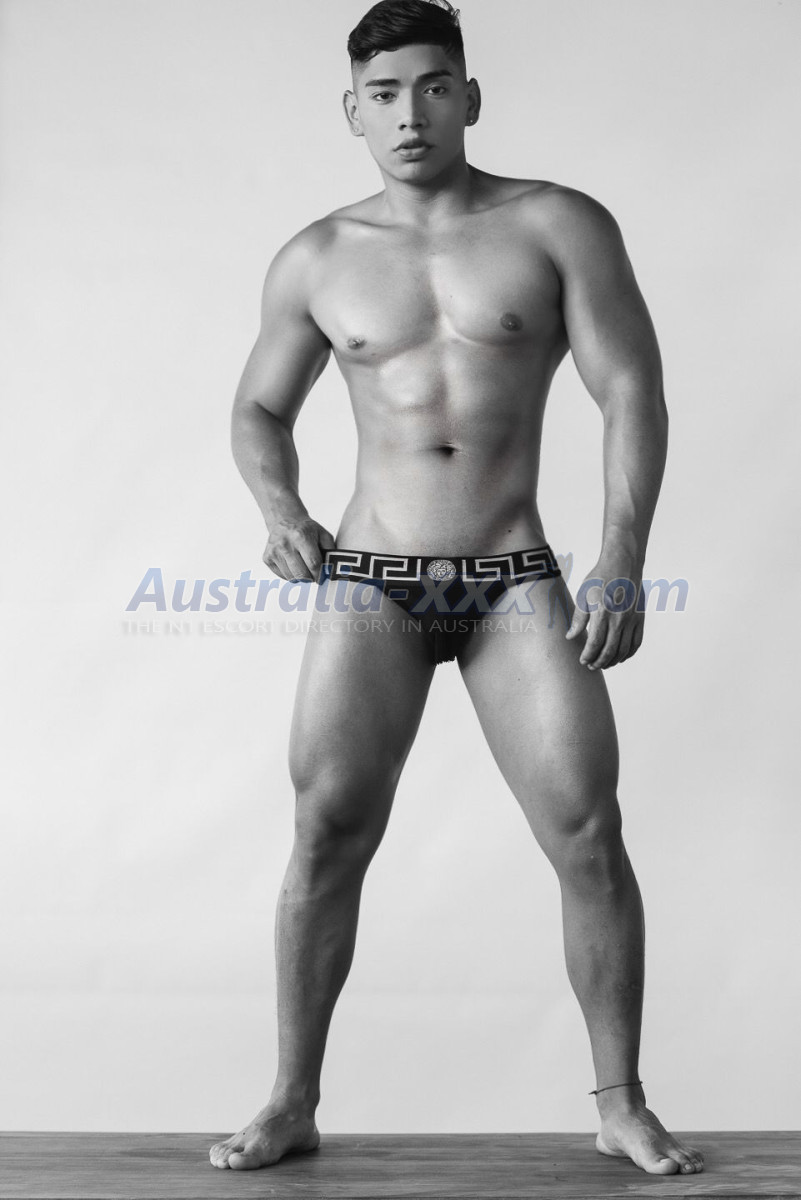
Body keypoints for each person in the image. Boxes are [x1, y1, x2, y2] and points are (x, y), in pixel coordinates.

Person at [209, 0, 704, 1176]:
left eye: (433, 87)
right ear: (352, 112)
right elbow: (258, 408)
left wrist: (622, 556)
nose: (410, 114)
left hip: (512, 578)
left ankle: (620, 1103)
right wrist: (280, 510)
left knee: (588, 831)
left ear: (469, 96)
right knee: (327, 831)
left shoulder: (558, 224)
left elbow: (630, 388)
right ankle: (291, 1101)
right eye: (384, 95)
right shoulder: (318, 257)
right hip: (371, 580)